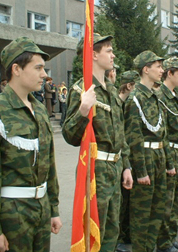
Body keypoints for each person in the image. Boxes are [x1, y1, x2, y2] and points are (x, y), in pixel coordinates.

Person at [0, 37, 62, 252]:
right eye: (38, 68)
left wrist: (53, 208)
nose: (44, 74)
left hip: (41, 209)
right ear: (16, 69)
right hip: (11, 214)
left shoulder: (39, 109)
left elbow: (49, 165)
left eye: (44, 68)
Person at [63, 33, 133, 252]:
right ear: (93, 54)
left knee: (112, 229)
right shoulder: (81, 90)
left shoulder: (112, 91)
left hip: (116, 167)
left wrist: (127, 166)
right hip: (95, 170)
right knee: (93, 231)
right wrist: (83, 110)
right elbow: (69, 135)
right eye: (108, 50)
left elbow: (120, 135)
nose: (113, 55)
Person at [124, 50, 175, 252]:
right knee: (142, 213)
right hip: (144, 158)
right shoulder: (135, 98)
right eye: (158, 66)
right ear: (146, 69)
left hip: (159, 158)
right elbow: (133, 138)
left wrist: (169, 163)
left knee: (158, 208)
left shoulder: (154, 96)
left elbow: (163, 134)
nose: (162, 70)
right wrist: (141, 171)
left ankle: (151, 247)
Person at [156, 57, 178, 252]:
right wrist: (169, 161)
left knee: (177, 200)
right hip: (170, 155)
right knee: (167, 202)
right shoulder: (160, 97)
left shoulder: (175, 96)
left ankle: (170, 238)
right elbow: (163, 132)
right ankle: (163, 243)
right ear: (169, 73)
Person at [116, 70, 139, 252]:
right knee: (120, 203)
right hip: (118, 158)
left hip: (127, 157)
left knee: (127, 200)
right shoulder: (120, 104)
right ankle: (119, 238)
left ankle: (125, 234)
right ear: (129, 86)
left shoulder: (127, 103)